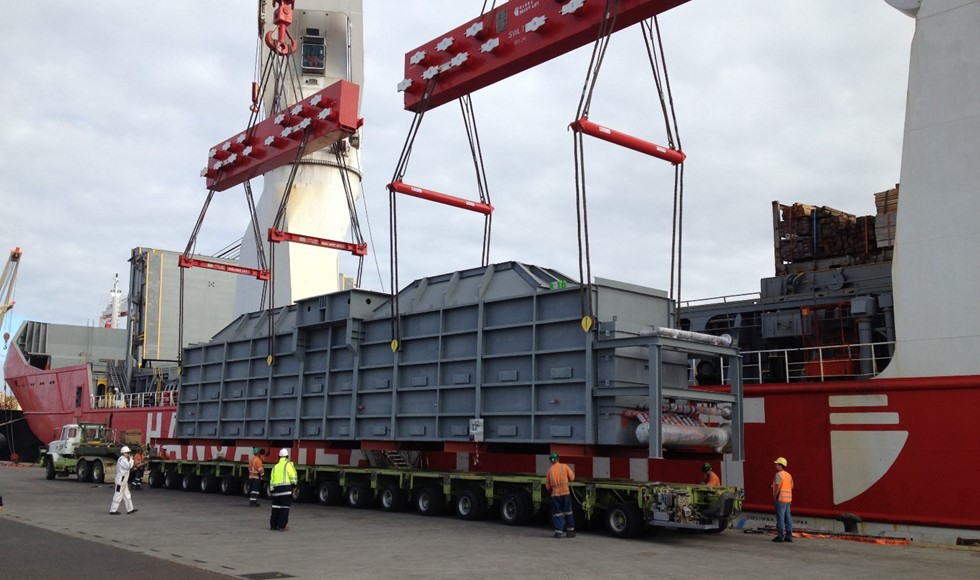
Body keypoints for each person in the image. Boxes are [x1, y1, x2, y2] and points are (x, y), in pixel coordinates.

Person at [545, 452, 576, 539]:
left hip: (555, 495)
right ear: (558, 459)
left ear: (551, 461)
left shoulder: (549, 471)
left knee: (557, 513)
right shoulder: (564, 467)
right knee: (568, 512)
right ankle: (570, 531)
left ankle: (558, 532)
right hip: (565, 493)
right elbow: (572, 477)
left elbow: (547, 486)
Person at [269, 448, 297, 531]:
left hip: (275, 491)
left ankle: (273, 526)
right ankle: (281, 526)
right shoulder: (288, 465)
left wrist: (271, 490)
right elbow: (293, 475)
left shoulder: (275, 467)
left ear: (279, 457)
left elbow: (271, 480)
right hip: (285, 490)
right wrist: (294, 484)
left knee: (275, 508)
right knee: (284, 508)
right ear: (287, 456)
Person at [771, 456, 794, 542]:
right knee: (788, 517)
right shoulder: (789, 475)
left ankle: (780, 536)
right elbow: (792, 486)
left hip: (780, 499)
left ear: (781, 465)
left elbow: (777, 487)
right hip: (788, 499)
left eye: (777, 464)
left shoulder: (778, 474)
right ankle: (789, 536)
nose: (775, 466)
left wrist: (775, 497)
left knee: (780, 518)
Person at [109, 446, 137, 515]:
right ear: (123, 453)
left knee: (127, 495)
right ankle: (113, 510)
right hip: (121, 480)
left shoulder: (123, 459)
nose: (128, 454)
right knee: (118, 495)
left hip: (123, 481)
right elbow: (129, 466)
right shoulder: (122, 460)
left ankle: (130, 509)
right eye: (127, 453)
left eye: (129, 453)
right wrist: (131, 460)